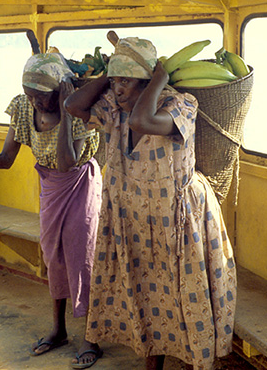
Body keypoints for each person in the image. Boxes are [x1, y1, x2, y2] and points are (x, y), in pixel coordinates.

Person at [65, 36, 237, 370]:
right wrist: (110, 72)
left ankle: (196, 362)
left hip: (176, 219)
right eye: (115, 81)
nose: (117, 88)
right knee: (144, 294)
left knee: (183, 295)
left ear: (148, 81)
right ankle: (151, 364)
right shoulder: (112, 108)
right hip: (132, 218)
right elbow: (73, 106)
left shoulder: (180, 104)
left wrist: (156, 82)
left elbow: (143, 122)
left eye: (126, 80)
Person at [0, 53, 103, 361]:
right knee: (53, 257)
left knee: (81, 257)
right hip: (50, 189)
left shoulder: (81, 111)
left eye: (41, 98)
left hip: (79, 186)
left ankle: (90, 338)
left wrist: (66, 112)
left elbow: (67, 162)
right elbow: (6, 160)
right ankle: (59, 330)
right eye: (30, 96)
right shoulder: (22, 106)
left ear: (60, 91)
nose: (34, 103)